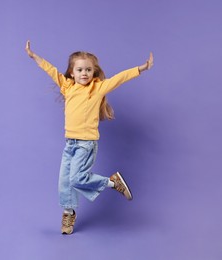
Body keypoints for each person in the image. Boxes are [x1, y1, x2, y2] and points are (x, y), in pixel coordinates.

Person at [25, 40, 154, 235]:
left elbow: (119, 78)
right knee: (65, 182)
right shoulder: (67, 87)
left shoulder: (97, 89)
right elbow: (51, 71)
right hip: (70, 144)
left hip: (86, 144)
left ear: (94, 72)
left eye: (88, 70)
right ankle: (68, 214)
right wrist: (35, 57)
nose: (84, 73)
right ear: (72, 72)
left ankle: (112, 183)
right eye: (80, 70)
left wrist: (141, 68)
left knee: (77, 179)